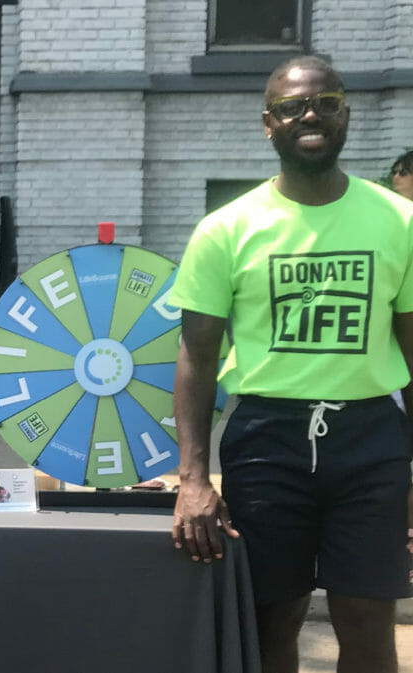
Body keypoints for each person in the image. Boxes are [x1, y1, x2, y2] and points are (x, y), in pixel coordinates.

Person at [169, 55, 413, 673]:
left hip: (371, 439)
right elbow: (197, 360)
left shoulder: (400, 221)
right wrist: (193, 480)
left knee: (366, 620)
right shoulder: (225, 229)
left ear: (345, 114)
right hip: (266, 440)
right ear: (267, 123)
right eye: (291, 107)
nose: (310, 115)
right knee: (271, 618)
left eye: (326, 102)